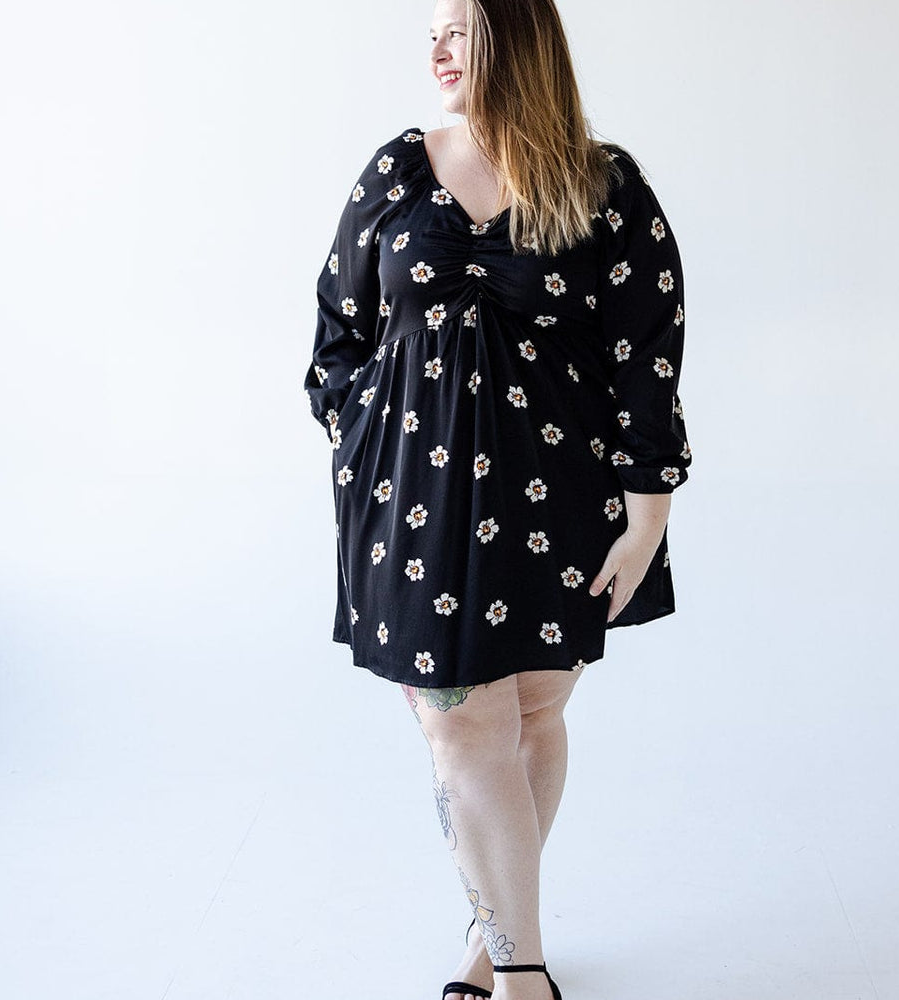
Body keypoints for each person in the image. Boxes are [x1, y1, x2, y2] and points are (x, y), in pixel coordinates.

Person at [302, 1, 691, 996]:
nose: (434, 49)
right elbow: (337, 334)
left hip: (560, 499)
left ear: (516, 39)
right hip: (413, 501)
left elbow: (646, 354)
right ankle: (524, 970)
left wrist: (649, 510)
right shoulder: (397, 169)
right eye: (428, 31)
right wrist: (373, 441)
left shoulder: (603, 183)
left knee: (528, 714)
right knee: (457, 722)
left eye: (459, 29)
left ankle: (490, 937)